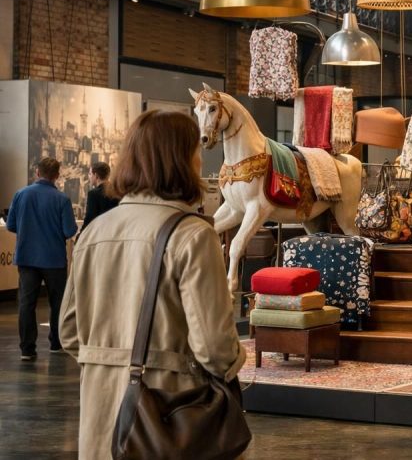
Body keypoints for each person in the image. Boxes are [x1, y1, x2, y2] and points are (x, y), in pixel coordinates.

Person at [59, 111, 246, 459]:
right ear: (179, 160)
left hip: (100, 415)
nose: (199, 162)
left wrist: (108, 361)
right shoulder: (193, 235)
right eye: (195, 152)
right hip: (168, 415)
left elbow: (69, 332)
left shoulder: (94, 232)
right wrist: (237, 361)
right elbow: (214, 348)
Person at [6, 157, 78, 361]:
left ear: (37, 173)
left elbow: (11, 225)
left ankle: (27, 349)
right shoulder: (62, 199)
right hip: (54, 259)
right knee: (57, 303)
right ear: (57, 176)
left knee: (26, 304)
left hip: (27, 258)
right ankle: (56, 343)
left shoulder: (21, 194)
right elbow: (69, 230)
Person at [81, 161, 119, 230]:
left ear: (96, 175)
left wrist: (80, 234)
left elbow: (89, 219)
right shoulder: (117, 191)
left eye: (90, 174)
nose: (89, 176)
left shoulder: (93, 194)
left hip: (100, 232)